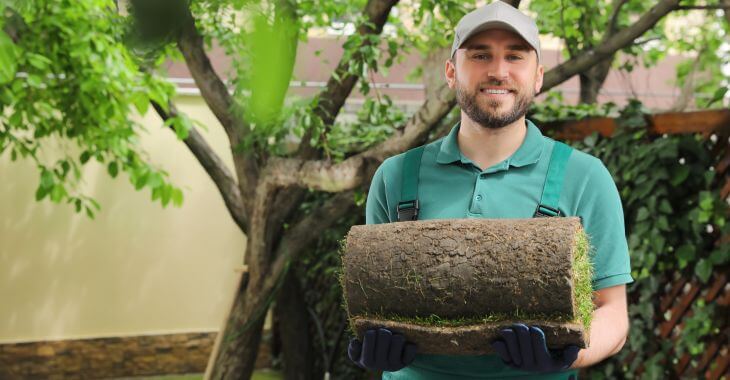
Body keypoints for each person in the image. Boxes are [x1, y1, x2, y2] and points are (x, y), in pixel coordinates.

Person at [346, 1, 633, 379]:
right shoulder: (396, 177)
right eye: (480, 55)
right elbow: (376, 302)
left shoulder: (584, 176)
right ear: (451, 72)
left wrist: (569, 355)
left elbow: (612, 310)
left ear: (538, 77)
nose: (498, 71)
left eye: (515, 56)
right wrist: (374, 344)